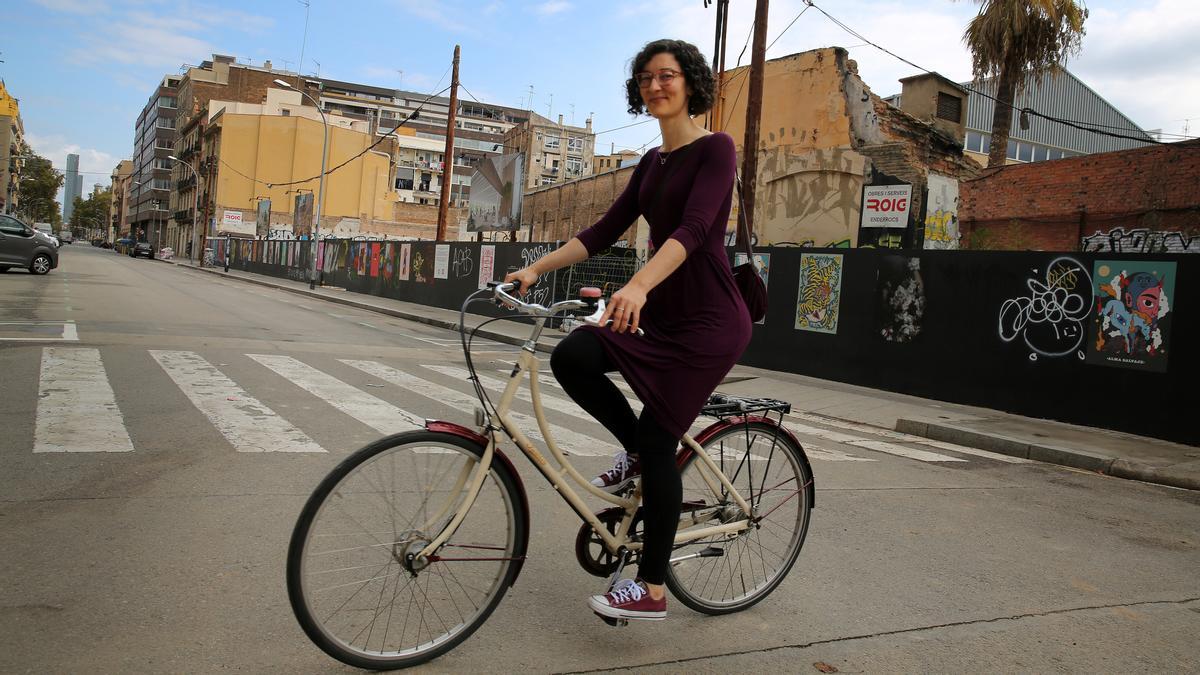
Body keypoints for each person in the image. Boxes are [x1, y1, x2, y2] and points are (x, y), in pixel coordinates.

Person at [504, 39, 751, 622]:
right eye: (645, 78)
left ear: (690, 84)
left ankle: (651, 589)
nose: (655, 85)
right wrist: (535, 267)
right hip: (660, 314)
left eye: (667, 76)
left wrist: (638, 285)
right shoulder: (650, 163)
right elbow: (603, 230)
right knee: (575, 356)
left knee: (660, 441)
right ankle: (636, 451)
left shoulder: (716, 149)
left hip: (710, 322)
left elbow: (694, 229)